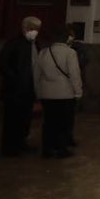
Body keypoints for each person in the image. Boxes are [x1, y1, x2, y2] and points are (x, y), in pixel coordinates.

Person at [0, 16, 42, 157]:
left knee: (25, 119)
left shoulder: (36, 45)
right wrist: (14, 78)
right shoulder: (14, 44)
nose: (35, 32)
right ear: (24, 28)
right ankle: (9, 148)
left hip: (29, 88)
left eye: (37, 29)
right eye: (32, 28)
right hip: (14, 89)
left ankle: (22, 143)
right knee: (12, 120)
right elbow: (1, 64)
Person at [34, 25, 82, 159]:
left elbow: (37, 74)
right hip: (64, 93)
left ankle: (47, 149)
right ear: (67, 38)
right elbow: (74, 74)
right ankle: (61, 149)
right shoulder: (70, 53)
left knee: (48, 122)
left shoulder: (43, 52)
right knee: (63, 122)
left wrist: (38, 92)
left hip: (46, 93)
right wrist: (78, 91)